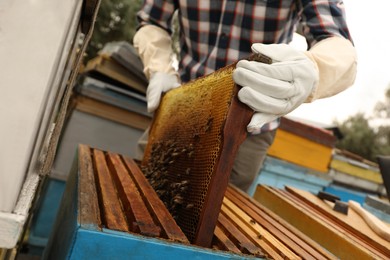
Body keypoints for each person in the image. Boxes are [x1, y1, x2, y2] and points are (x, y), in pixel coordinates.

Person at [133, 0, 357, 192]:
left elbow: (335, 40)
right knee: (140, 187)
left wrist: (315, 69)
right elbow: (152, 20)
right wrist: (159, 68)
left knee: (221, 216)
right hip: (182, 108)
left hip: (248, 124)